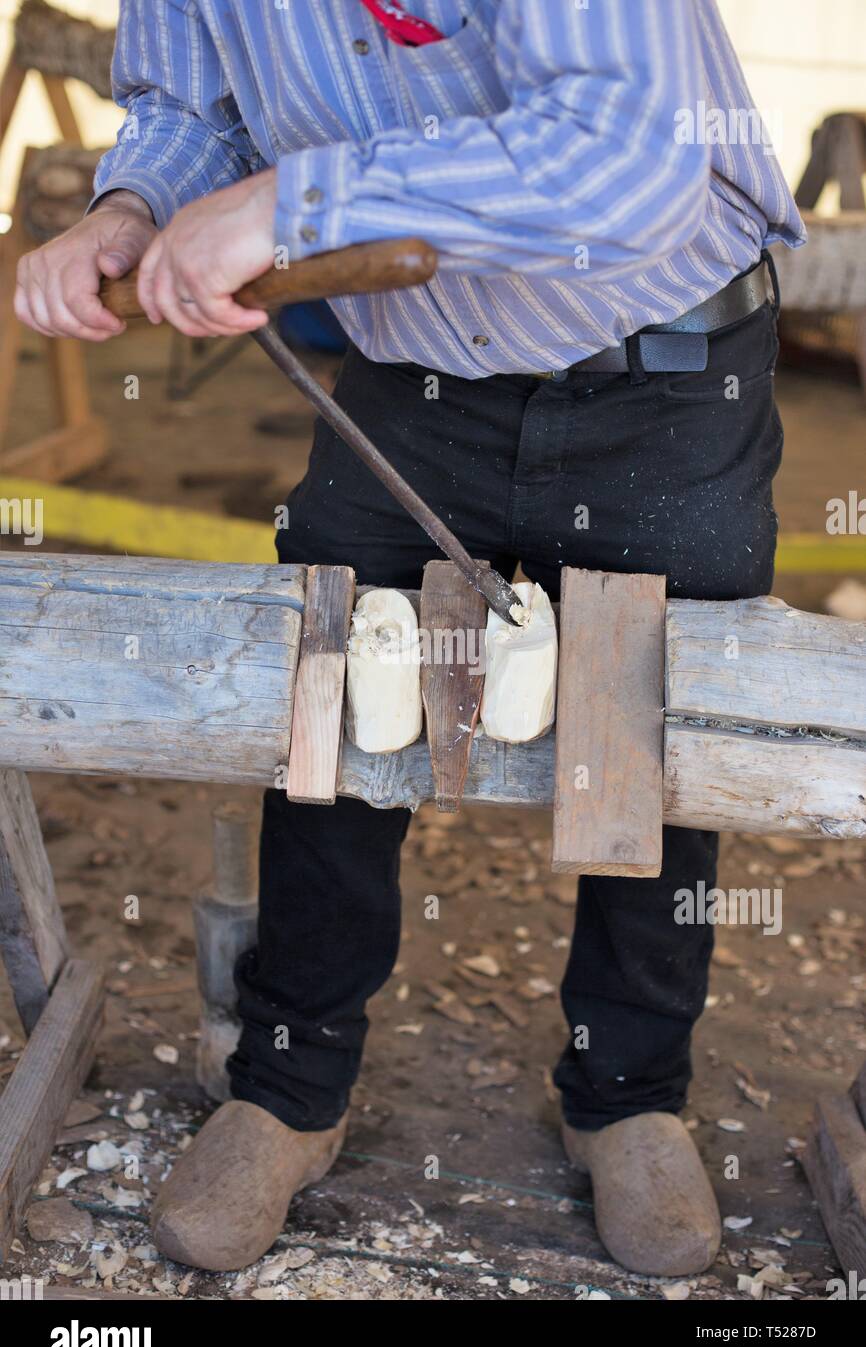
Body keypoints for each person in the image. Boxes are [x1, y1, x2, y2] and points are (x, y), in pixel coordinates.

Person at [15, 0, 804, 1277]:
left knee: (638, 733)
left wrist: (288, 206)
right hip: (414, 373)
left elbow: (627, 152)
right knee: (334, 700)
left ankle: (628, 1097)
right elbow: (191, 110)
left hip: (662, 373)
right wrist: (135, 210)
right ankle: (288, 1087)